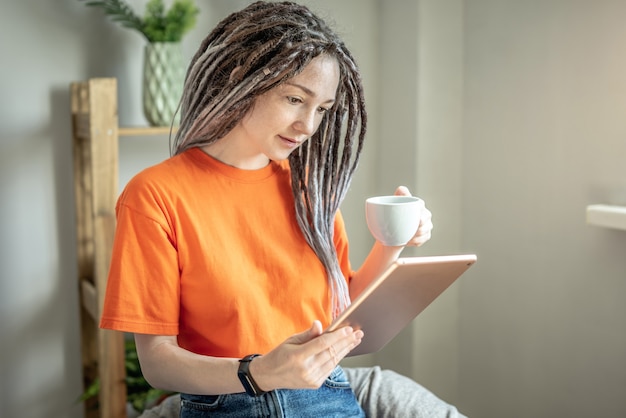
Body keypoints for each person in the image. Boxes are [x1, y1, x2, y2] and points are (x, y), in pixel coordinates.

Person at [101, 1, 466, 417]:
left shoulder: (309, 188)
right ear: (242, 80)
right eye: (295, 98)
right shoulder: (155, 195)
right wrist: (256, 373)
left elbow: (345, 316)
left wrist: (391, 242)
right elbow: (157, 363)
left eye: (322, 109)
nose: (308, 125)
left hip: (330, 399)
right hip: (228, 407)